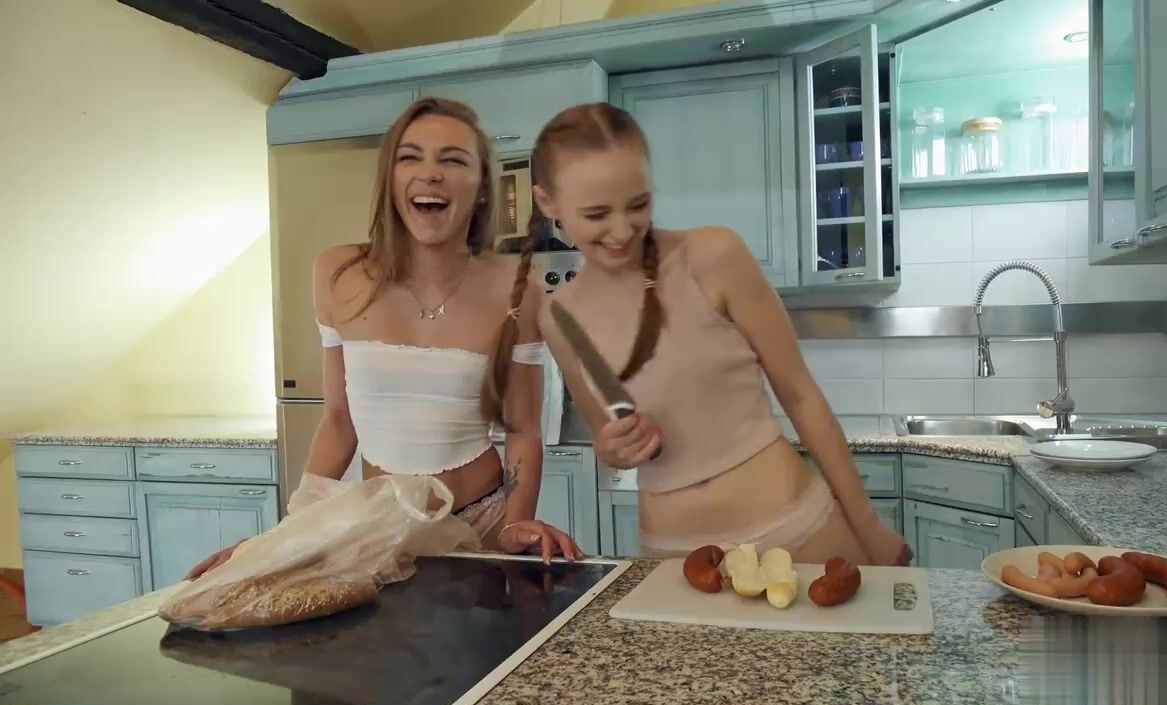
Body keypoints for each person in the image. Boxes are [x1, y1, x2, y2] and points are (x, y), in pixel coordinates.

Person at [186, 97, 582, 579]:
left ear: (481, 188)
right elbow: (339, 420)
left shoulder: (519, 286)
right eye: (410, 157)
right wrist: (290, 535)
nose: (430, 173)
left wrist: (516, 524)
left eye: (453, 160)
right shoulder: (337, 273)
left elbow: (522, 429)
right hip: (377, 527)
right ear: (391, 180)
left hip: (482, 524)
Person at [532, 103, 911, 566]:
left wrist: (868, 527)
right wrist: (613, 449)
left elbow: (800, 394)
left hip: (795, 530)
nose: (622, 230)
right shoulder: (559, 317)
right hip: (673, 557)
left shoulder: (712, 255)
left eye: (638, 205)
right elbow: (604, 436)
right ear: (547, 202)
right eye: (596, 214)